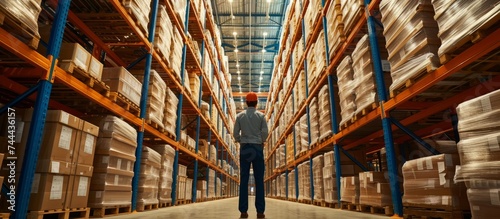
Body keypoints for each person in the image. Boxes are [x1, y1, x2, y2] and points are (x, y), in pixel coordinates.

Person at [233, 92, 268, 219]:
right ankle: (260, 212)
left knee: (244, 179)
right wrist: (260, 141)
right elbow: (265, 132)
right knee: (259, 180)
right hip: (257, 148)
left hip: (246, 148)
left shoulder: (240, 116)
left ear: (246, 102)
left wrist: (240, 140)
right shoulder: (261, 116)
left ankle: (243, 211)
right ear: (256, 103)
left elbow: (235, 133)